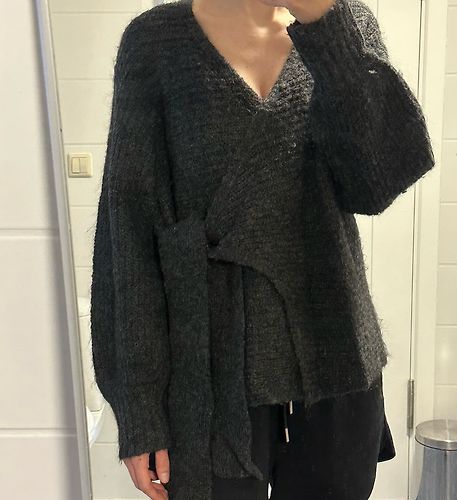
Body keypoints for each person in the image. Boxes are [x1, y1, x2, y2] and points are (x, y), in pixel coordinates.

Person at [90, 0, 434, 499]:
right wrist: (140, 411)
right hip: (206, 376)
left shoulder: (347, 24)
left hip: (334, 360)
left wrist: (324, 24)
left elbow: (375, 184)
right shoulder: (154, 43)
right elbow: (129, 232)